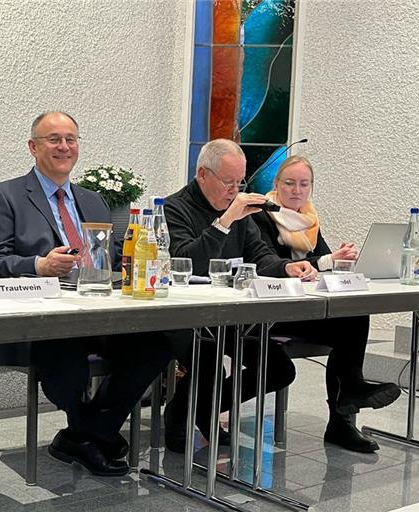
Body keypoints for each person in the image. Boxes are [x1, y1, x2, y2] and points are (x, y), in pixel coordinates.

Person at [163, 139, 399, 454]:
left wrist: (289, 267)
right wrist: (225, 221)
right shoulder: (177, 207)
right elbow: (186, 261)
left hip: (246, 314)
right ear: (203, 175)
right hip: (197, 315)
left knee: (346, 320)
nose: (234, 190)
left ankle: (347, 401)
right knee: (274, 369)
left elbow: (262, 257)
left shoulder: (241, 210)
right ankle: (184, 409)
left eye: (240, 182)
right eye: (228, 182)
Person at [0, 111, 171, 477]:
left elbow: (110, 258)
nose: (64, 146)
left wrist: (141, 256)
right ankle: (91, 434)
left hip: (96, 312)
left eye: (71, 139)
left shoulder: (93, 199)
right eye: (54, 139)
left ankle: (86, 433)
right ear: (33, 147)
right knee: (67, 359)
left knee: (155, 346)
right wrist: (39, 265)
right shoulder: (5, 195)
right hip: (39, 320)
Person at [252, 154, 401, 451]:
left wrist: (341, 261)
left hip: (302, 308)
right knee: (350, 322)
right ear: (276, 184)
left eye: (304, 184)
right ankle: (349, 397)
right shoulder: (259, 215)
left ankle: (343, 416)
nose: (296, 190)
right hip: (269, 312)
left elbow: (322, 264)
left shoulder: (308, 219)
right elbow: (268, 264)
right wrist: (326, 261)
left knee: (354, 315)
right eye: (290, 183)